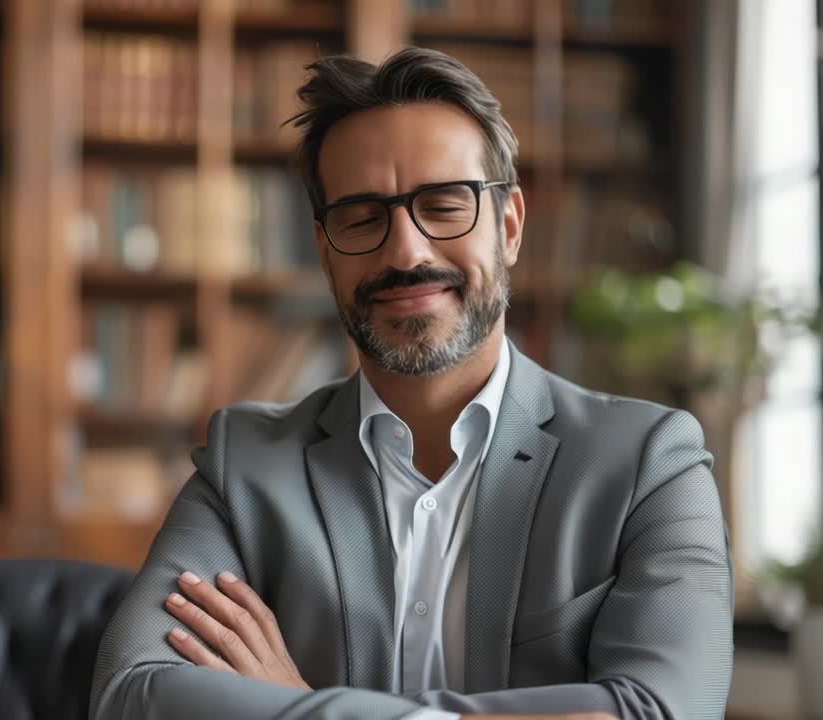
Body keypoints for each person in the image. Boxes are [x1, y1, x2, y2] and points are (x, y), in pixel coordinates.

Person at [89, 47, 732, 720]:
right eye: (363, 217)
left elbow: (658, 713)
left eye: (444, 205)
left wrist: (304, 708)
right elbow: (132, 695)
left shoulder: (648, 463)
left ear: (508, 227)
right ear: (325, 249)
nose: (406, 252)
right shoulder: (245, 464)